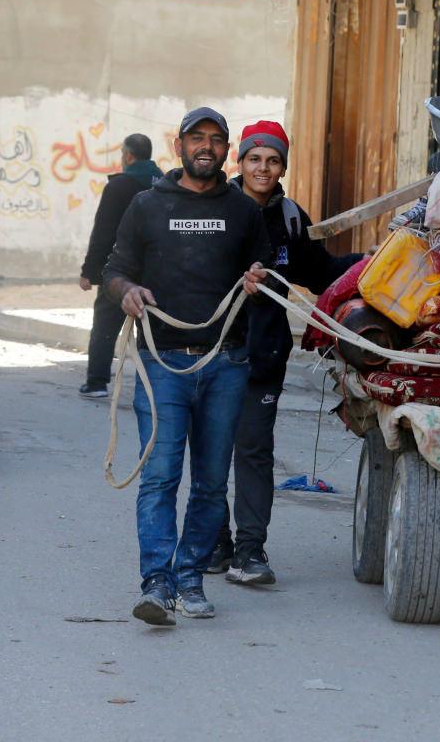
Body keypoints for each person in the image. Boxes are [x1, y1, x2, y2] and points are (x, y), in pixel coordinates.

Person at [103, 106, 272, 627]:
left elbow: (262, 274)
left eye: (216, 139)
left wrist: (256, 281)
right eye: (196, 138)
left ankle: (191, 577)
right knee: (159, 476)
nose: (206, 146)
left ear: (227, 151)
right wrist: (127, 291)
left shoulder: (244, 211)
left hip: (225, 363)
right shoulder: (146, 205)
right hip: (161, 364)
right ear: (178, 146)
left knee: (208, 481)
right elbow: (115, 270)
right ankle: (157, 583)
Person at [204, 121, 365, 585]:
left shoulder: (292, 217)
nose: (263, 168)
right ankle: (216, 542)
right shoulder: (216, 208)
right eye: (255, 159)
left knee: (254, 453)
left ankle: (250, 553)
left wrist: (371, 260)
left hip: (263, 358)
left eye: (273, 160)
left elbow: (320, 272)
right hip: (214, 354)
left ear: (282, 167)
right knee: (212, 453)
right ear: (241, 162)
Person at [78, 134, 163, 399]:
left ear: (128, 155)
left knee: (105, 325)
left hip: (120, 271)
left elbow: (103, 232)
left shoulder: (119, 187)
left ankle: (96, 383)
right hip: (154, 272)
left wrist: (89, 272)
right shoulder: (164, 183)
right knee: (151, 332)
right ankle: (156, 387)